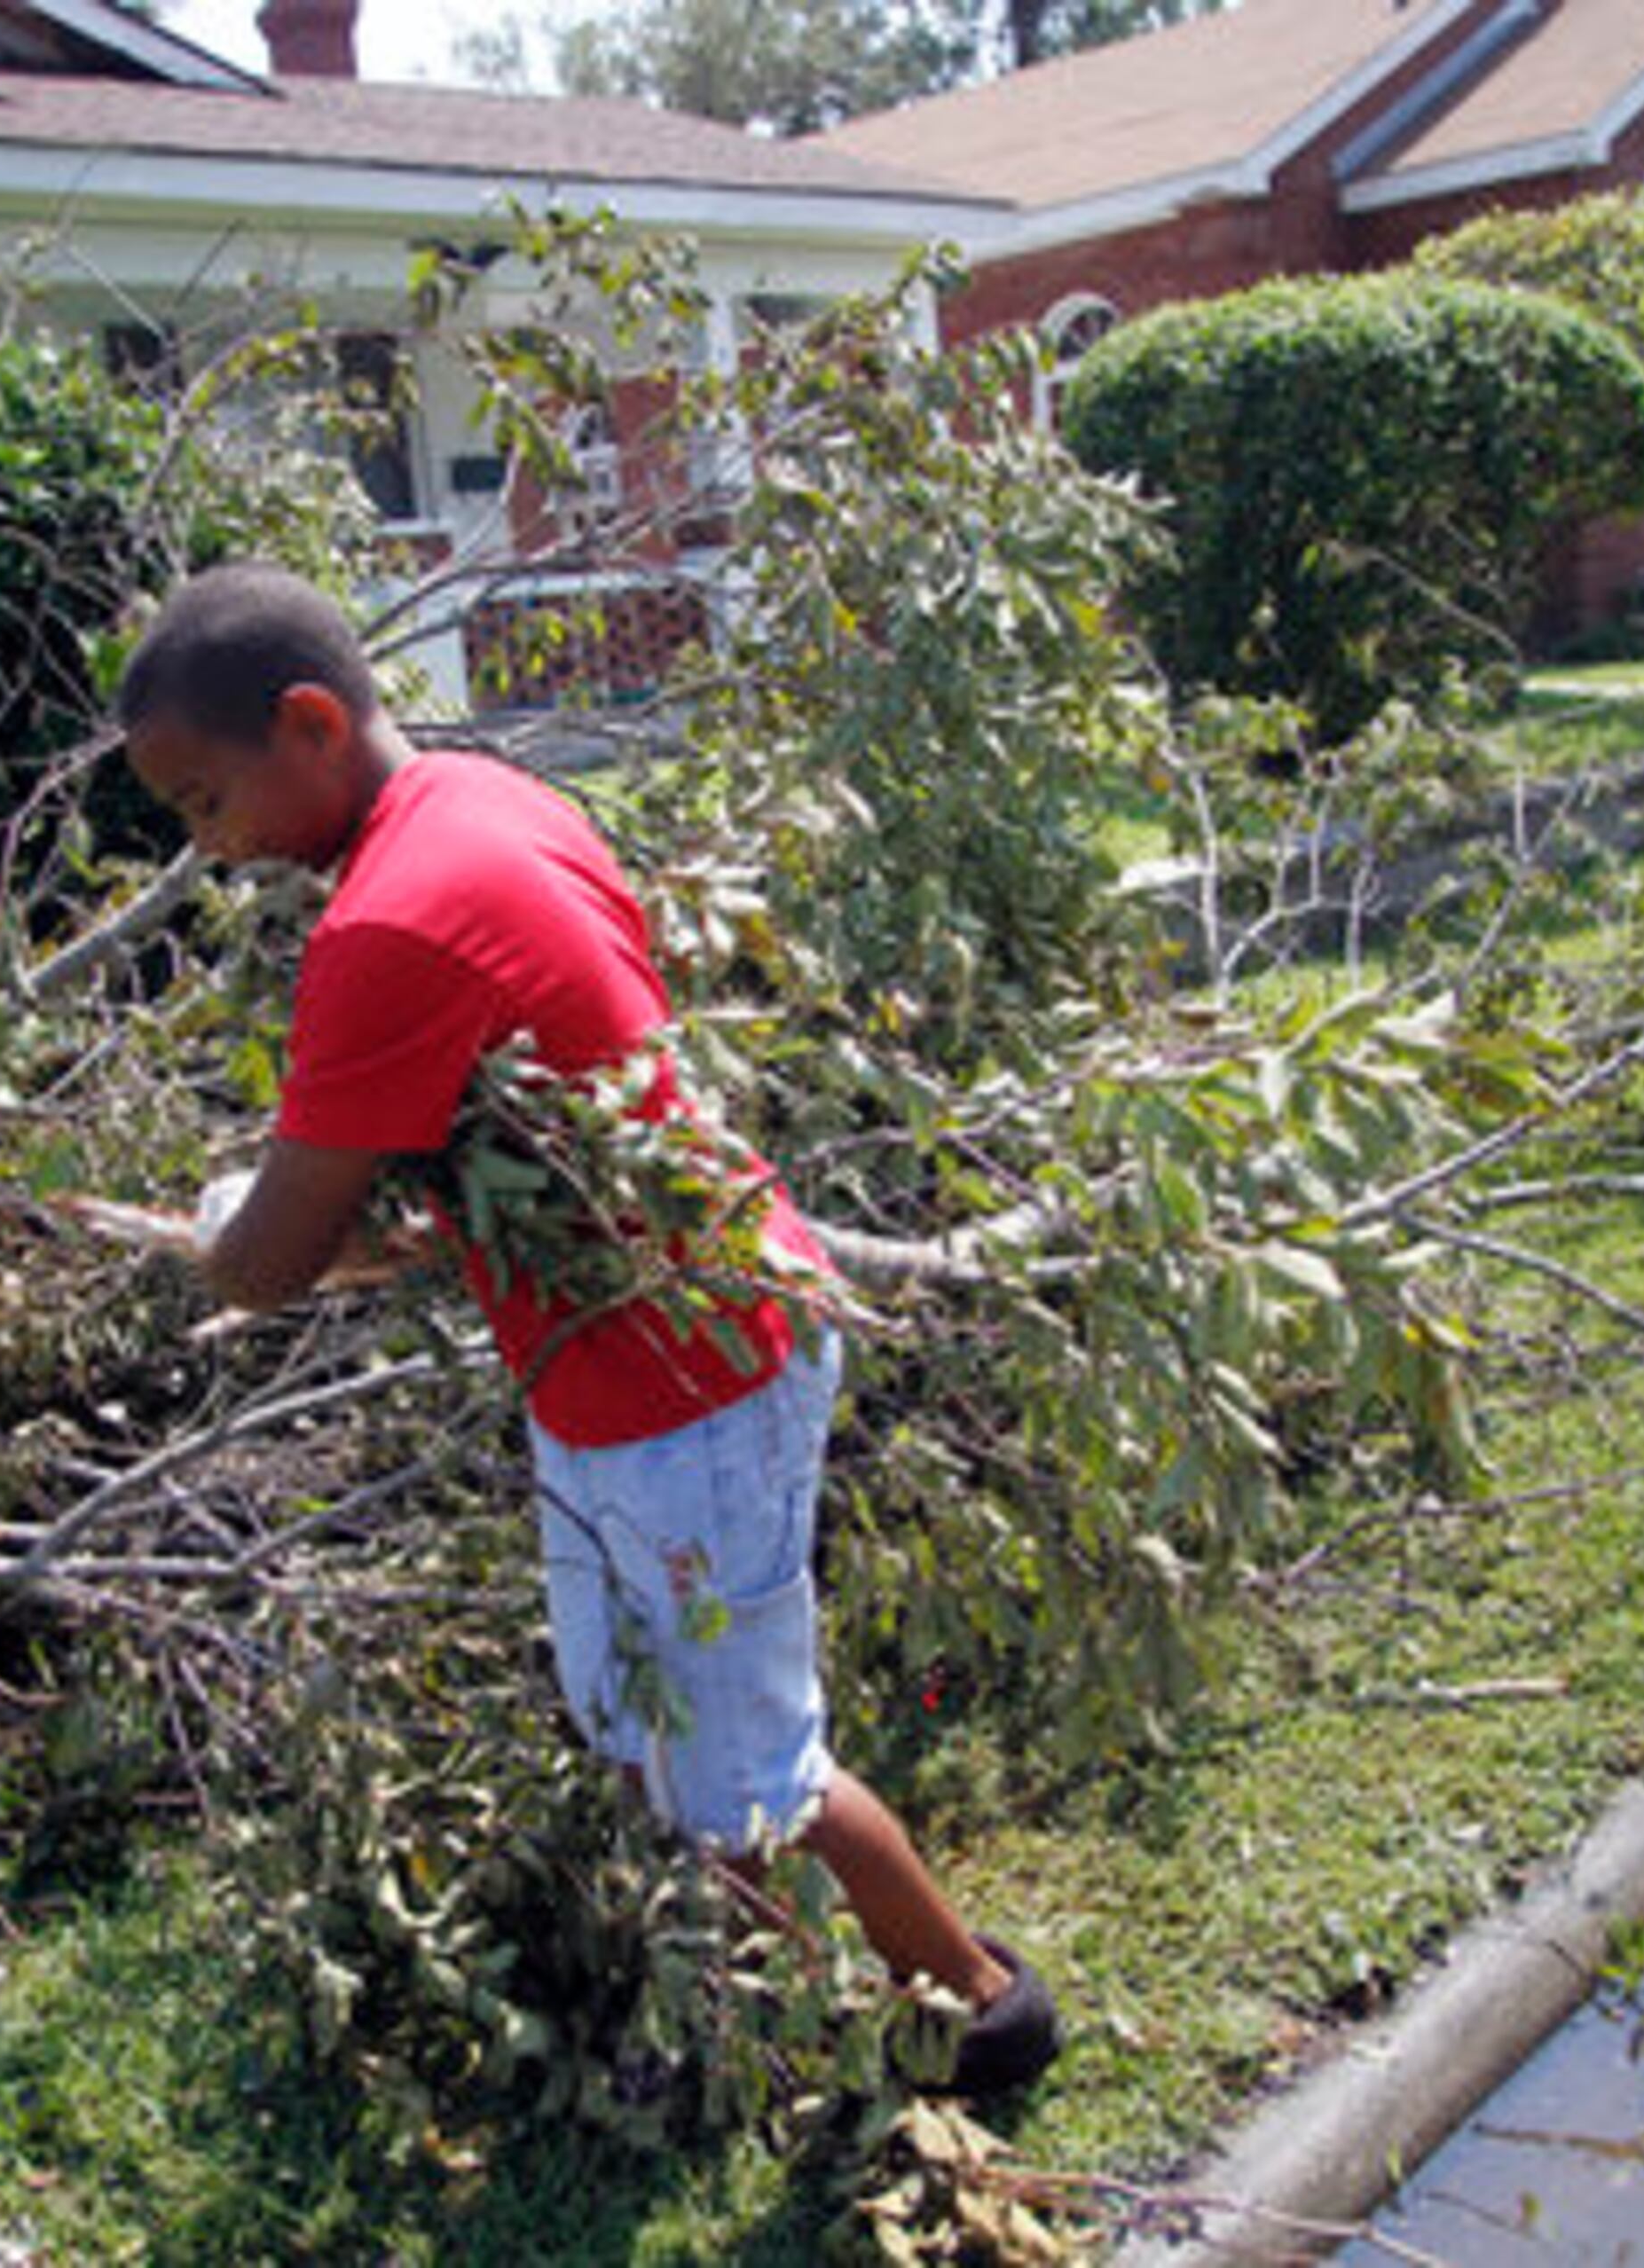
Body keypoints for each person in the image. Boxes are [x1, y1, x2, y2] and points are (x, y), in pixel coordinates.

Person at [96, 561, 1060, 2096]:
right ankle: (751, 2002)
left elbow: (267, 1266)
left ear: (309, 722)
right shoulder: (485, 797)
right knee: (641, 1723)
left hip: (691, 1383)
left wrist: (222, 1237)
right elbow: (483, 1152)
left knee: (755, 1774)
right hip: (631, 1362)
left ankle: (984, 2006)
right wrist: (370, 1232)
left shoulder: (386, 923)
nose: (214, 852)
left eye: (208, 805)